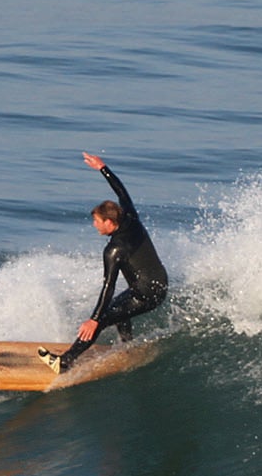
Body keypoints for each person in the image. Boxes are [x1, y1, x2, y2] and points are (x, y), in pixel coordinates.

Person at [40, 153, 169, 374]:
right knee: (121, 308)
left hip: (146, 294)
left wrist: (94, 319)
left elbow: (108, 286)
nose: (95, 225)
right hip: (159, 284)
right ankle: (127, 345)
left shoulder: (114, 250)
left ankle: (64, 362)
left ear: (109, 222)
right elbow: (122, 192)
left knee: (104, 317)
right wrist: (103, 168)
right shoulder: (131, 219)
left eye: (97, 222)